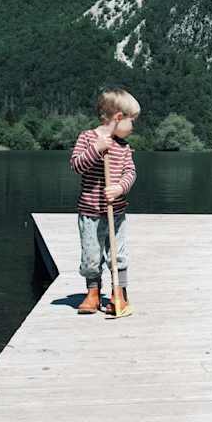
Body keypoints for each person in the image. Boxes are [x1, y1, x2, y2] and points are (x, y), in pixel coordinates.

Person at [69, 88, 139, 315]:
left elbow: (130, 173)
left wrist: (119, 188)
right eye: (132, 121)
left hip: (115, 213)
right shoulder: (87, 138)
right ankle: (93, 292)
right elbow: (76, 165)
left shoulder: (124, 147)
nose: (133, 127)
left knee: (117, 254)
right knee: (91, 256)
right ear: (118, 117)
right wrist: (97, 149)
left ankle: (119, 293)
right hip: (89, 212)